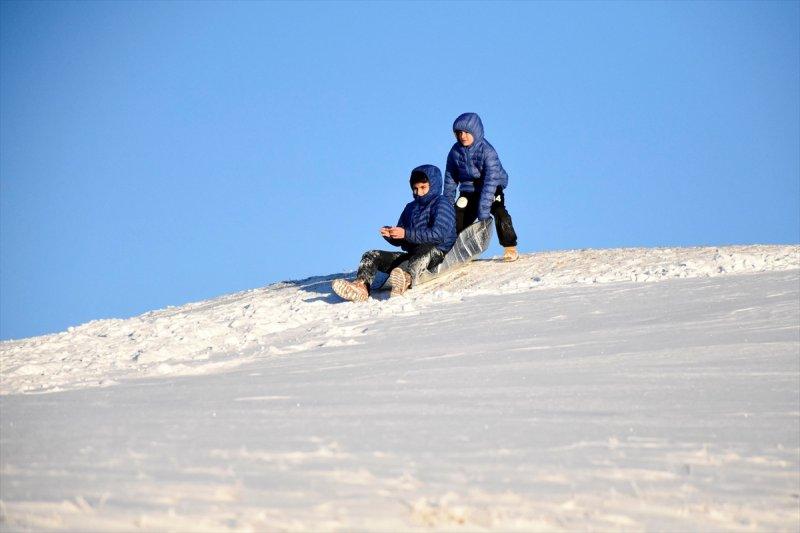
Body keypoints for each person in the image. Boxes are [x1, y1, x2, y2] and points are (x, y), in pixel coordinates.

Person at [332, 164, 456, 302]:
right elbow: (403, 236)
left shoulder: (442, 203)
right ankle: (361, 286)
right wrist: (392, 235)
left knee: (425, 248)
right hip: (412, 254)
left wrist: (406, 234)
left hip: (436, 252)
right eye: (415, 188)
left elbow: (439, 234)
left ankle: (406, 278)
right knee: (371, 255)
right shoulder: (410, 208)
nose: (418, 192)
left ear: (433, 186)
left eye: (423, 187)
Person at [444, 112, 519, 262]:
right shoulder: (454, 152)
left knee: (499, 212)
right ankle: (454, 249)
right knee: (457, 213)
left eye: (467, 132)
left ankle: (510, 246)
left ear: (475, 132)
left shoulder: (488, 151)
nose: (463, 136)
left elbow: (491, 180)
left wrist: (483, 213)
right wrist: (446, 205)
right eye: (459, 133)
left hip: (492, 186)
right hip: (469, 189)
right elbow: (450, 178)